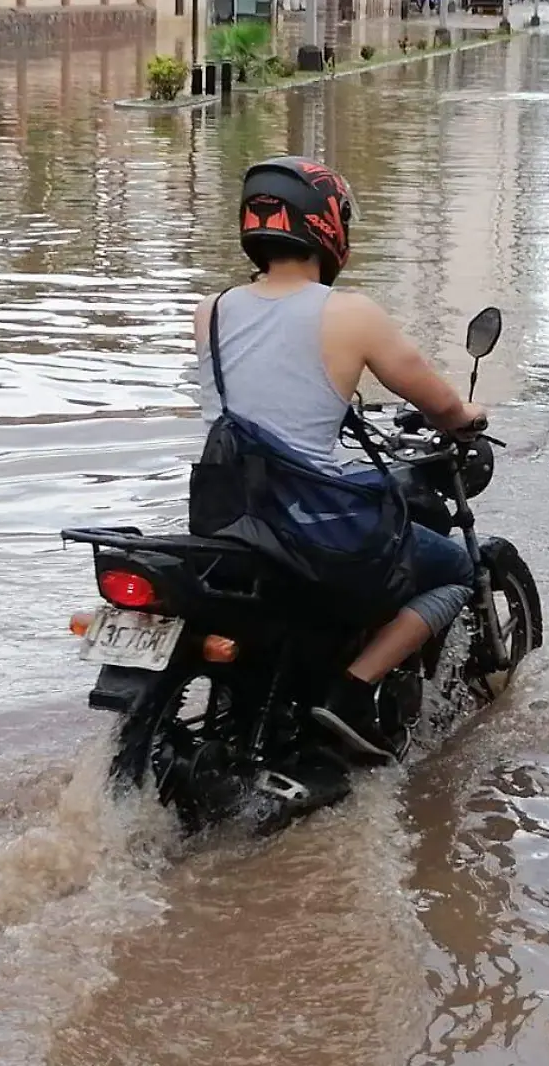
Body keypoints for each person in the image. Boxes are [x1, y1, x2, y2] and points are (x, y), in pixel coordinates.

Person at [195, 157, 487, 762]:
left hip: (225, 519)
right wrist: (466, 419)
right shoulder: (350, 314)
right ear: (329, 225)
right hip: (304, 525)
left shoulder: (213, 309)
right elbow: (436, 402)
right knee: (455, 567)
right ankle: (351, 690)